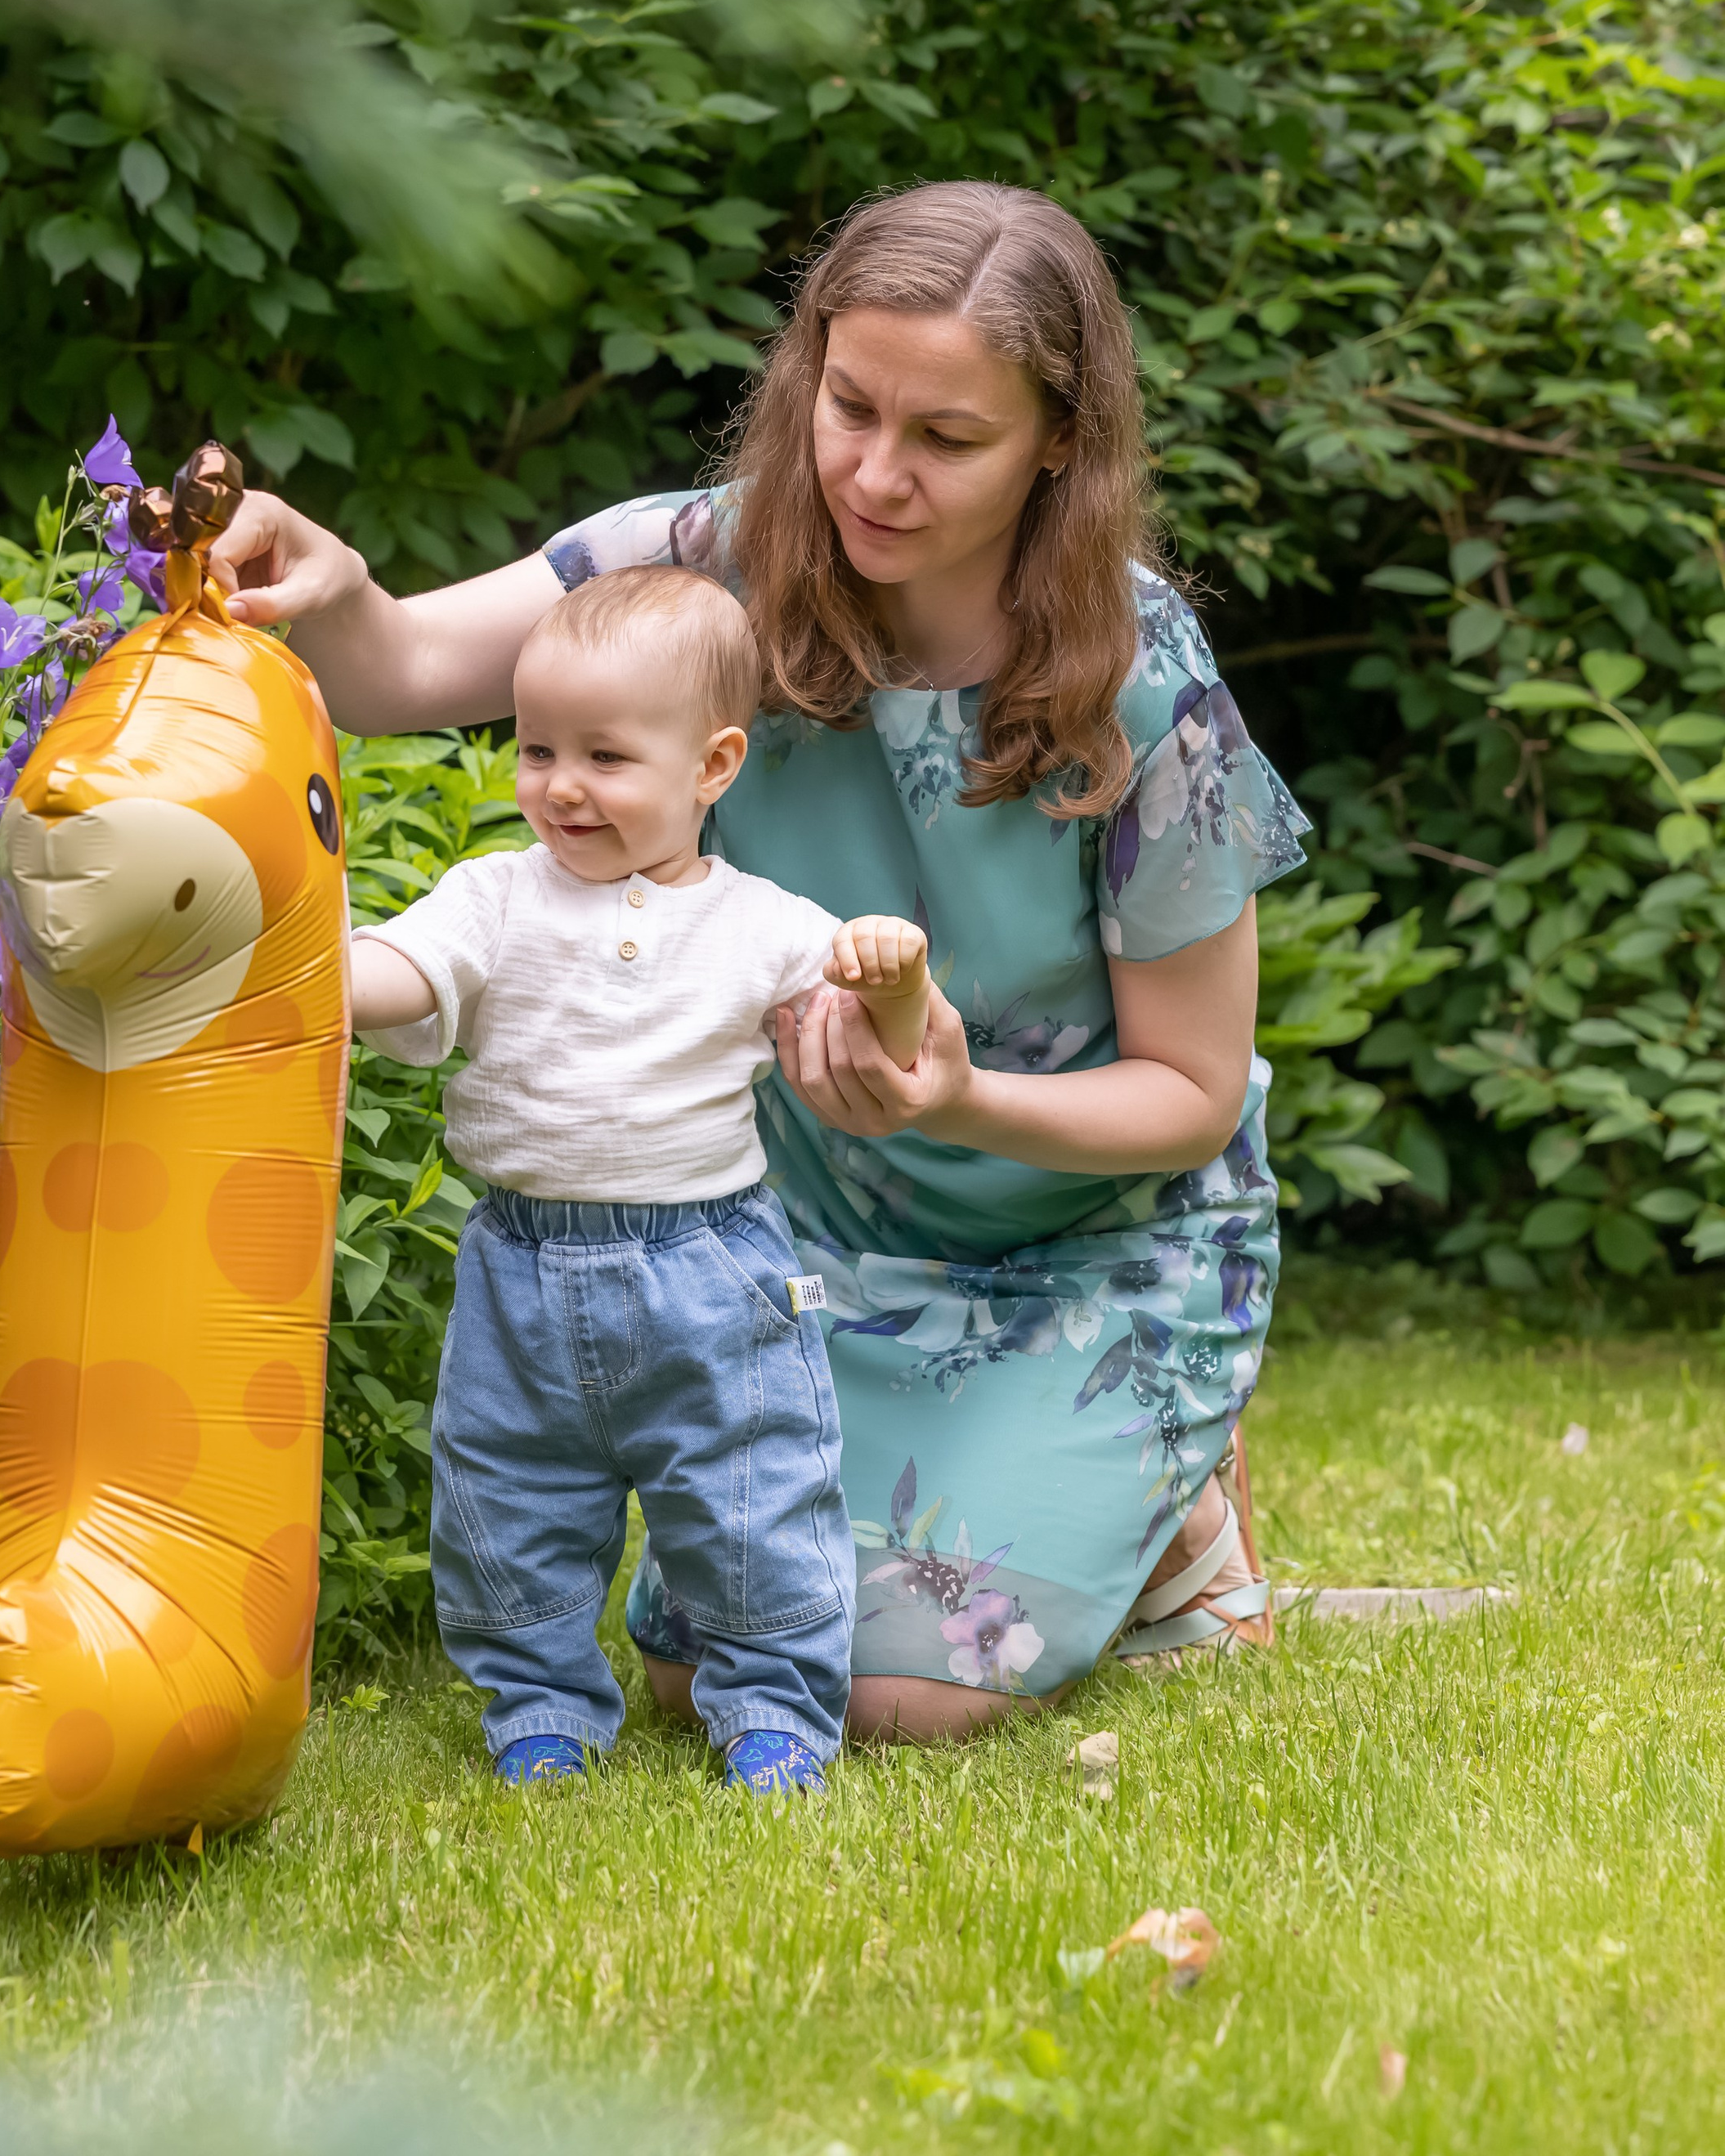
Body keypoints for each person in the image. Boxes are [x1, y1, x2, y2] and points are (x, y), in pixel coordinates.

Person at [219, 180, 1307, 1743]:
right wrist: (323, 587)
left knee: (892, 1696)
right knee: (698, 1673)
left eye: (948, 439)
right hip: (795, 1251)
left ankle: (1175, 1503)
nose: (875, 474)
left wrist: (961, 1099)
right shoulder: (697, 559)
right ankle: (1121, 1520)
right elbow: (395, 668)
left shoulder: (1142, 685)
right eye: (850, 408)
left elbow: (1194, 1096)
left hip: (1094, 1238)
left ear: (1059, 442)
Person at [344, 559, 934, 1790]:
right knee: (507, 1497)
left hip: (713, 1272)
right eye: (537, 749)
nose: (561, 786)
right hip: (519, 1260)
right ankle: (540, 1710)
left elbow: (895, 1048)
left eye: (606, 759)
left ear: (712, 767)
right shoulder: (495, 896)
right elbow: (408, 975)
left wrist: (893, 981)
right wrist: (316, 962)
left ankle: (773, 1709)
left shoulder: (763, 921)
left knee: (750, 1497)